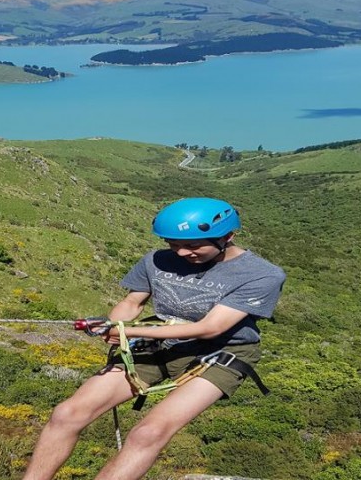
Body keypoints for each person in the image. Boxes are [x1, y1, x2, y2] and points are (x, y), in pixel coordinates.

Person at [23, 197, 286, 480]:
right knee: (67, 414)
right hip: (160, 341)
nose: (183, 253)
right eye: (174, 244)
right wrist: (115, 323)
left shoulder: (262, 275)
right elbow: (133, 301)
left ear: (227, 236)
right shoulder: (156, 260)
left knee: (148, 433)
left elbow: (211, 328)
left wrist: (128, 331)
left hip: (219, 352)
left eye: (194, 245)